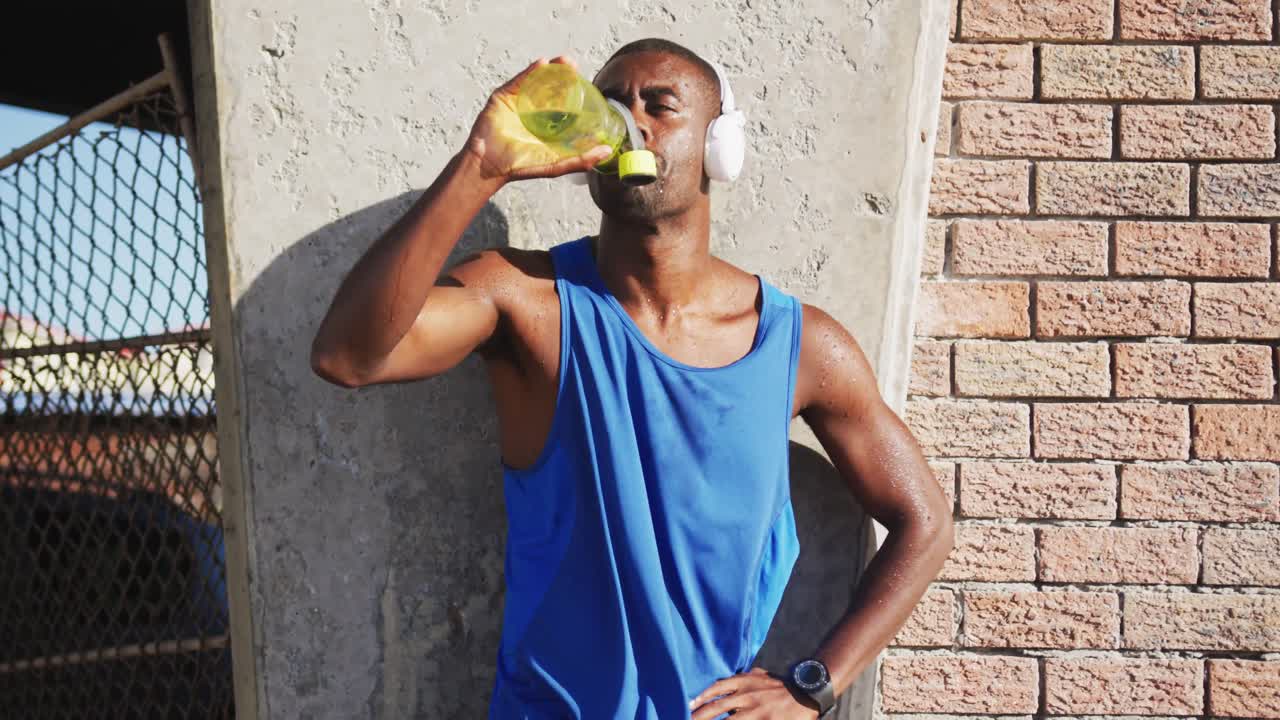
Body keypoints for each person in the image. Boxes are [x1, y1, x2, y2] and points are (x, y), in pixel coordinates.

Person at [311, 38, 953, 720]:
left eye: (660, 106)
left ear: (718, 146)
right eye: (613, 104)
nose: (631, 122)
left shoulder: (801, 346)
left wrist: (813, 685)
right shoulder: (526, 299)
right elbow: (349, 356)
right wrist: (481, 166)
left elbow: (925, 522)